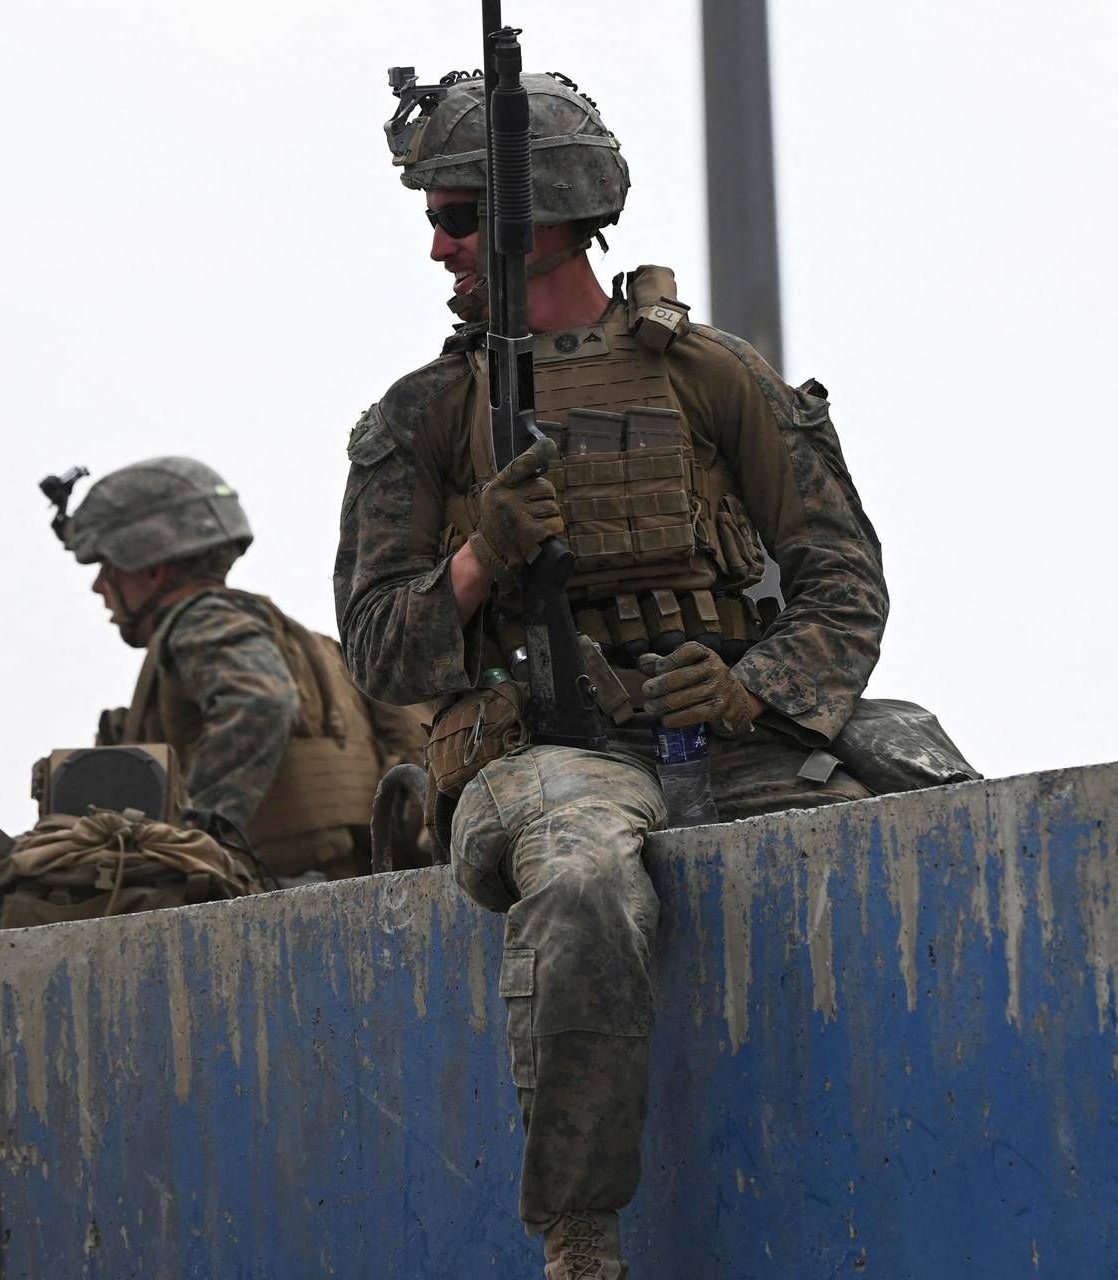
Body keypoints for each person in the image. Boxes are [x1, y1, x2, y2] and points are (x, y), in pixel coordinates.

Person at [335, 71, 891, 1277]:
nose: (438, 248)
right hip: (547, 759)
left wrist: (755, 687)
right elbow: (376, 645)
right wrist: (480, 558)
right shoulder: (424, 416)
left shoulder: (712, 375)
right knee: (583, 882)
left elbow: (844, 579)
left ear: (540, 217)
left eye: (458, 217)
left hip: (727, 742)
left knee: (917, 837)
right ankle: (581, 1233)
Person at [55, 456, 425, 882]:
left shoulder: (204, 622)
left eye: (108, 568)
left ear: (152, 570)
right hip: (332, 883)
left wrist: (188, 843)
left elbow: (260, 701)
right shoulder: (294, 641)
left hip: (276, 888)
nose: (98, 586)